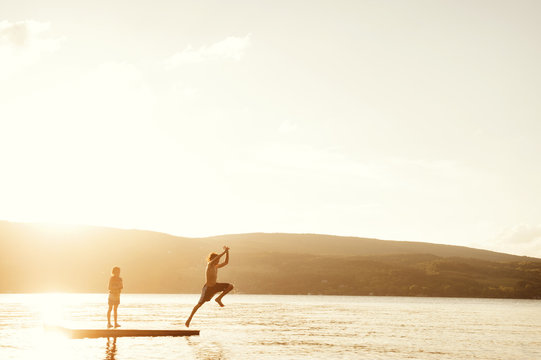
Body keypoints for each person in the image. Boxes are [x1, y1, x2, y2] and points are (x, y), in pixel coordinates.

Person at [185, 246, 234, 327]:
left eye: (218, 260)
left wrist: (227, 252)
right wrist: (223, 252)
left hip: (215, 286)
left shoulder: (216, 266)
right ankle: (189, 319)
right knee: (199, 304)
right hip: (208, 288)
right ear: (213, 259)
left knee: (230, 286)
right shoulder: (210, 264)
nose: (218, 261)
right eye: (217, 259)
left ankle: (218, 298)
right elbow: (216, 258)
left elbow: (226, 262)